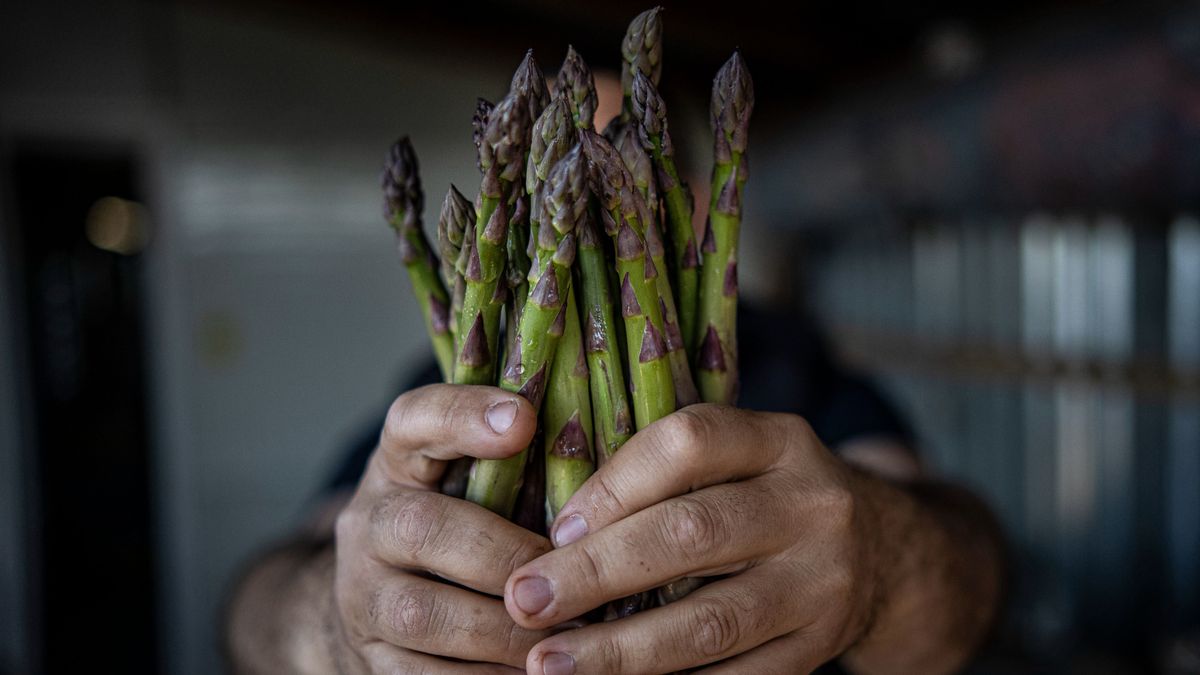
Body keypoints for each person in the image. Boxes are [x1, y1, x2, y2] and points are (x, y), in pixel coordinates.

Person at [225, 303, 1004, 674]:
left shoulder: (791, 360)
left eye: (621, 147)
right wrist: (335, 620)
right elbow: (252, 604)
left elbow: (972, 569)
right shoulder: (455, 370)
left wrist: (879, 556)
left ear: (687, 193)